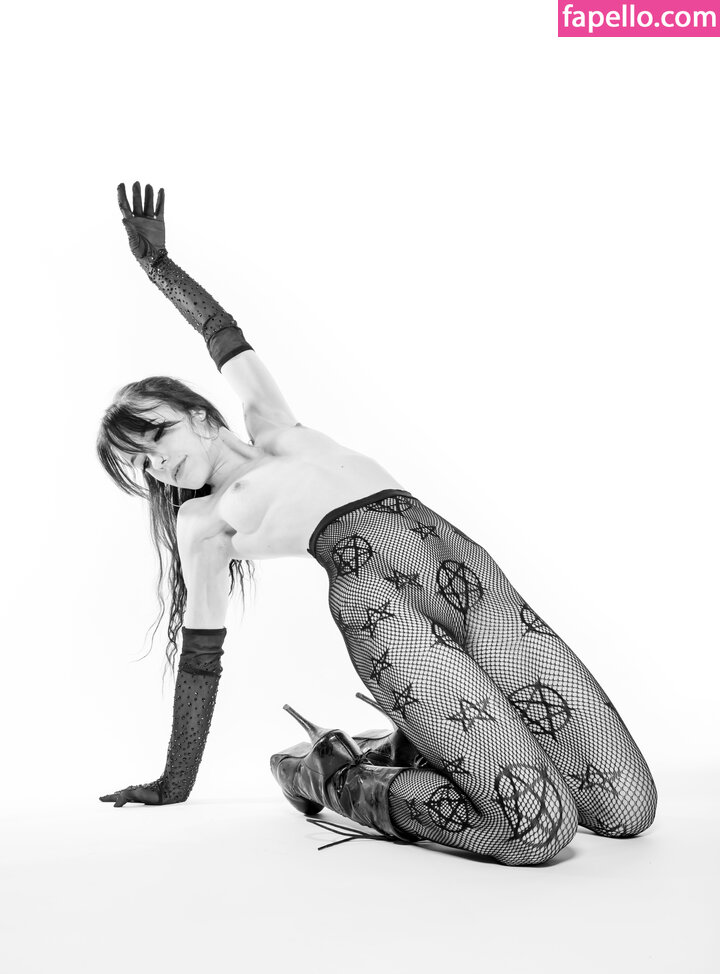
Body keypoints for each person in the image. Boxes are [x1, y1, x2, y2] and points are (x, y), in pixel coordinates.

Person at [97, 180, 657, 866]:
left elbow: (222, 333)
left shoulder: (274, 423)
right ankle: (326, 775)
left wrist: (158, 267)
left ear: (199, 414)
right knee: (538, 832)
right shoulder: (204, 523)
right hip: (384, 610)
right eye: (142, 465)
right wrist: (173, 783)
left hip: (474, 583)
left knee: (629, 810)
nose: (157, 465)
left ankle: (413, 747)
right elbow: (201, 655)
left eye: (156, 437)